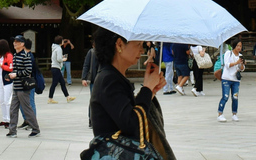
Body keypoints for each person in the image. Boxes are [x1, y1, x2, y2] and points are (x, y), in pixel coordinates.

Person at [82, 27, 172, 160]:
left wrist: (150, 92)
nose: (142, 50)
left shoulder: (113, 76)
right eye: (138, 45)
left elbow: (126, 114)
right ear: (119, 45)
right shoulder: (109, 80)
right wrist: (147, 88)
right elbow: (132, 125)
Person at [7, 34, 41, 138]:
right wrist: (10, 75)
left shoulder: (25, 56)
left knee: (26, 109)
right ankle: (12, 130)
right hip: (16, 86)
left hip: (23, 87)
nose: (15, 44)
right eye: (14, 42)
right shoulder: (15, 56)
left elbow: (28, 71)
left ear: (22, 44)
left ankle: (35, 129)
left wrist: (16, 74)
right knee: (13, 109)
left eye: (17, 42)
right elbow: (15, 69)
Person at [217, 37, 244, 122]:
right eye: (237, 46)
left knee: (235, 97)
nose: (239, 48)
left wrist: (242, 64)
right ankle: (220, 113)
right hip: (227, 78)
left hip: (236, 79)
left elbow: (242, 69)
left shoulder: (240, 56)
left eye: (240, 46)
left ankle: (234, 114)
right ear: (234, 46)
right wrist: (236, 63)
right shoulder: (228, 53)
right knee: (225, 96)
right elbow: (227, 65)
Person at [18, 37, 39, 130]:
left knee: (30, 102)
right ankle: (27, 120)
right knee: (25, 103)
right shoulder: (28, 55)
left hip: (28, 82)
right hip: (25, 81)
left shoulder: (28, 56)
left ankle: (32, 122)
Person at [48, 35, 75, 103]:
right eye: (63, 40)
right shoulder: (59, 49)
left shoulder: (55, 48)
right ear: (60, 41)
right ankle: (50, 98)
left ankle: (68, 97)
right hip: (56, 68)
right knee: (54, 83)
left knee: (62, 83)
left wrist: (61, 57)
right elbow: (59, 59)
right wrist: (63, 59)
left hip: (54, 67)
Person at [0, 38, 13, 127]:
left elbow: (11, 68)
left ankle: (9, 120)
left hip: (7, 80)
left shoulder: (9, 56)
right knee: (2, 100)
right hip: (0, 79)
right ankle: (5, 119)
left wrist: (1, 65)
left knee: (7, 100)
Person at [82, 40, 99, 127]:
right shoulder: (91, 52)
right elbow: (86, 65)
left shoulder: (104, 53)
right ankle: (91, 119)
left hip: (101, 79)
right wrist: (84, 78)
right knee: (93, 99)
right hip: (93, 79)